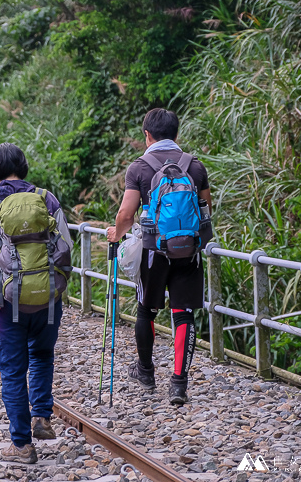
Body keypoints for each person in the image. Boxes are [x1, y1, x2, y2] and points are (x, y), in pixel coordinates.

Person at [0, 143, 72, 464]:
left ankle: (21, 444)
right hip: (48, 297)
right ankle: (42, 417)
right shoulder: (47, 199)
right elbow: (66, 246)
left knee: (13, 371)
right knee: (42, 355)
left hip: (6, 300)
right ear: (23, 167)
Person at [107, 108, 212, 406]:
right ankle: (178, 385)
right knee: (184, 315)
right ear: (177, 134)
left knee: (146, 311)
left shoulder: (139, 168)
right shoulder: (195, 166)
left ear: (147, 135)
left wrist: (116, 233)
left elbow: (127, 214)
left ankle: (146, 372)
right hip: (188, 251)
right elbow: (206, 210)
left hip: (154, 251)